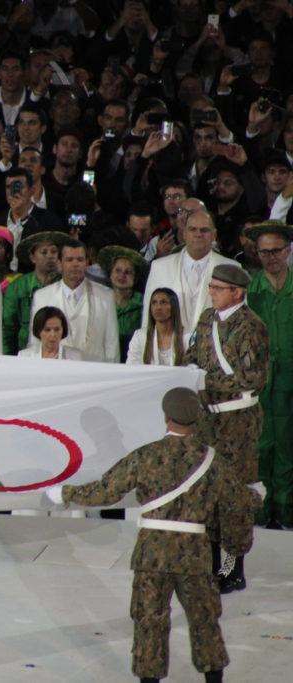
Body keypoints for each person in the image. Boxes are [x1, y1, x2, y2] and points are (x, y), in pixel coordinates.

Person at [46, 387, 260, 683]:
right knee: (205, 622)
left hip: (152, 554)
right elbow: (237, 505)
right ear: (197, 419)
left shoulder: (146, 456)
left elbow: (106, 491)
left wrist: (65, 493)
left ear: (165, 417)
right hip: (194, 556)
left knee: (149, 622)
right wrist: (236, 547)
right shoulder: (213, 462)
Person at [188, 264, 270, 593]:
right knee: (206, 491)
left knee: (233, 495)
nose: (213, 292)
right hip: (207, 418)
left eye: (219, 288)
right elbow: (193, 353)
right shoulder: (207, 319)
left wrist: (204, 380)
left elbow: (252, 377)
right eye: (212, 286)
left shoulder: (252, 327)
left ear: (237, 292)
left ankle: (232, 567)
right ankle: (209, 564)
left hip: (238, 421)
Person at [244, 221, 293, 529]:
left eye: (276, 251)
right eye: (264, 252)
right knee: (260, 448)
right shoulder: (250, 291)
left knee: (289, 448)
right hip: (260, 383)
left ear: (288, 251)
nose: (270, 257)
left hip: (291, 382)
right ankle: (261, 512)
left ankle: (287, 511)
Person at [141, 210, 238, 332]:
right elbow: (148, 319)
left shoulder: (233, 269)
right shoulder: (159, 267)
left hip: (214, 349)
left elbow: (239, 321)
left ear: (214, 235)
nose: (198, 234)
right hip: (170, 348)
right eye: (193, 229)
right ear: (184, 234)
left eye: (204, 230)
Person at [29, 238, 119, 363]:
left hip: (95, 374)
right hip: (56, 372)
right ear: (59, 263)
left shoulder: (105, 296)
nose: (75, 264)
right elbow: (35, 342)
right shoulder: (42, 296)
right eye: (69, 260)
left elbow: (111, 345)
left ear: (87, 262)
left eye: (80, 259)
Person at [2, 231, 64, 355]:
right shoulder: (17, 287)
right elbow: (8, 329)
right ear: (32, 257)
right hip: (25, 354)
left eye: (54, 251)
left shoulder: (65, 284)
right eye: (44, 252)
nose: (50, 256)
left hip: (60, 353)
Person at [99, 246, 147, 363]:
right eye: (118, 270)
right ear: (110, 274)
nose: (122, 275)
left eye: (128, 272)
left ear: (135, 278)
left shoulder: (144, 304)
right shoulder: (100, 302)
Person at [127, 288, 190, 367]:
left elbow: (192, 367)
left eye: (163, 302)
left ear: (174, 307)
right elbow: (132, 367)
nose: (158, 307)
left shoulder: (188, 337)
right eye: (154, 303)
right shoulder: (139, 336)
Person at [17, 306, 81, 360]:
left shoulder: (75, 357)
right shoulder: (24, 356)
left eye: (57, 329)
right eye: (47, 330)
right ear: (38, 331)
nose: (53, 334)